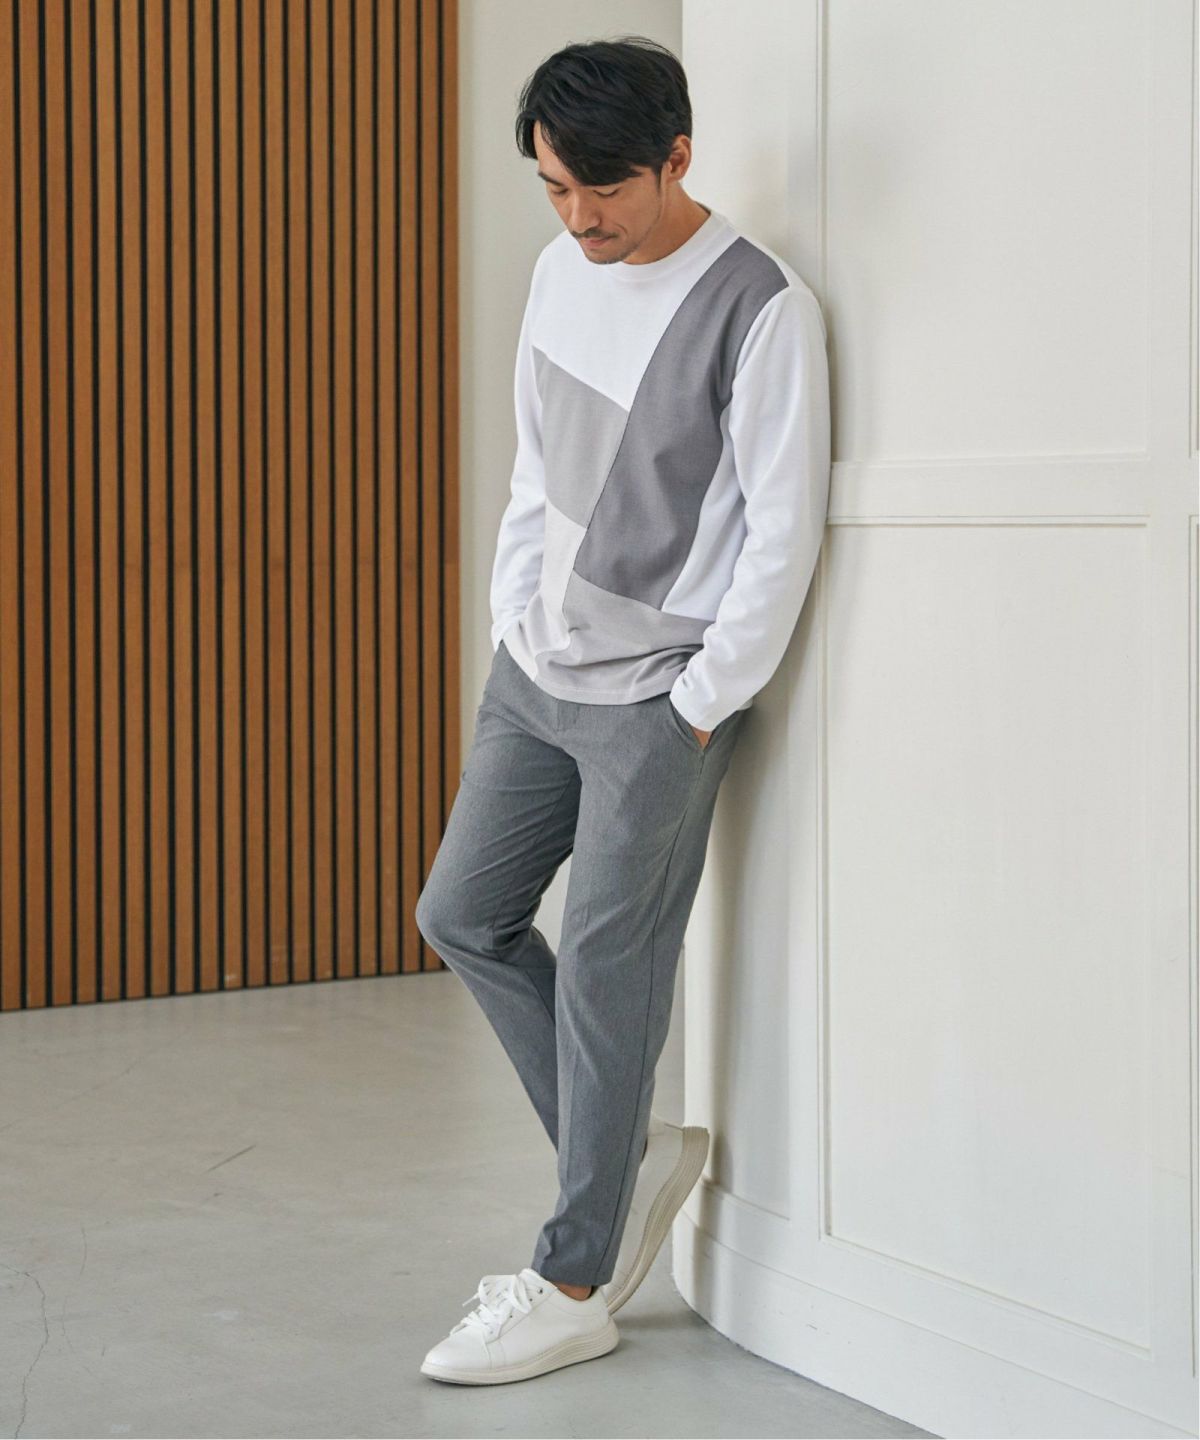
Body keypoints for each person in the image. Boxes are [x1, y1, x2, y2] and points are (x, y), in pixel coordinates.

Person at [416, 34, 831, 1386]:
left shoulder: (759, 307)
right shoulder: (558, 272)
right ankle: (629, 1154)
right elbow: (537, 468)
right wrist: (511, 619)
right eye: (555, 187)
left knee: (608, 967)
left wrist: (701, 703)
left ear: (677, 158)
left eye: (605, 187)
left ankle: (576, 1278)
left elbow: (782, 531)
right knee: (461, 913)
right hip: (535, 675)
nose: (581, 216)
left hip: (659, 698)